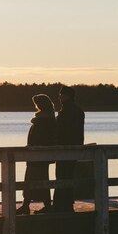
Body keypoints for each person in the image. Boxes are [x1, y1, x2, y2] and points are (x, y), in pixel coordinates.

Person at [16, 94, 57, 215]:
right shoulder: (47, 119)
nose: (36, 106)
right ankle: (35, 205)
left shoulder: (43, 121)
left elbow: (40, 138)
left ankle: (28, 205)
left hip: (37, 156)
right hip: (38, 156)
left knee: (33, 180)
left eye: (37, 104)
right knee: (39, 179)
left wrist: (32, 148)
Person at [53, 85, 84, 213]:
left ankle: (59, 205)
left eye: (61, 95)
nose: (59, 97)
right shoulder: (78, 110)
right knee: (68, 176)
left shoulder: (66, 111)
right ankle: (67, 204)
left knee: (61, 176)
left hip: (64, 148)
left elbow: (62, 130)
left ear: (68, 96)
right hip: (75, 148)